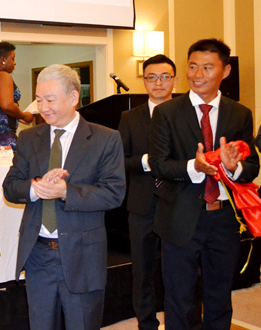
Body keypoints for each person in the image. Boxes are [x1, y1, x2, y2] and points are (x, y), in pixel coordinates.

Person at [3, 64, 125, 330]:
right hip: (38, 255)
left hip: (83, 256)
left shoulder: (105, 139)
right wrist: (36, 189)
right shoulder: (28, 138)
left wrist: (67, 192)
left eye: (50, 99)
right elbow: (11, 187)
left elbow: (114, 193)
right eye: (38, 100)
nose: (43, 107)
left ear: (72, 98)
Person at [148, 38, 259, 330]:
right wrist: (193, 167)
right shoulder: (167, 113)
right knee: (179, 299)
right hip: (179, 219)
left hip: (222, 220)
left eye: (207, 67)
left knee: (219, 297)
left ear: (225, 71)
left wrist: (235, 168)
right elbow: (159, 164)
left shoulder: (240, 113)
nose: (197, 74)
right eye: (193, 66)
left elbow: (253, 167)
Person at [118, 54, 180, 330]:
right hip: (142, 205)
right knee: (142, 272)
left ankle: (180, 321)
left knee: (179, 271)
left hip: (179, 206)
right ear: (144, 82)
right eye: (152, 77)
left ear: (174, 80)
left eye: (165, 76)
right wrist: (145, 161)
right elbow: (119, 160)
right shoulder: (130, 118)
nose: (159, 82)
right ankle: (146, 324)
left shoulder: (187, 115)